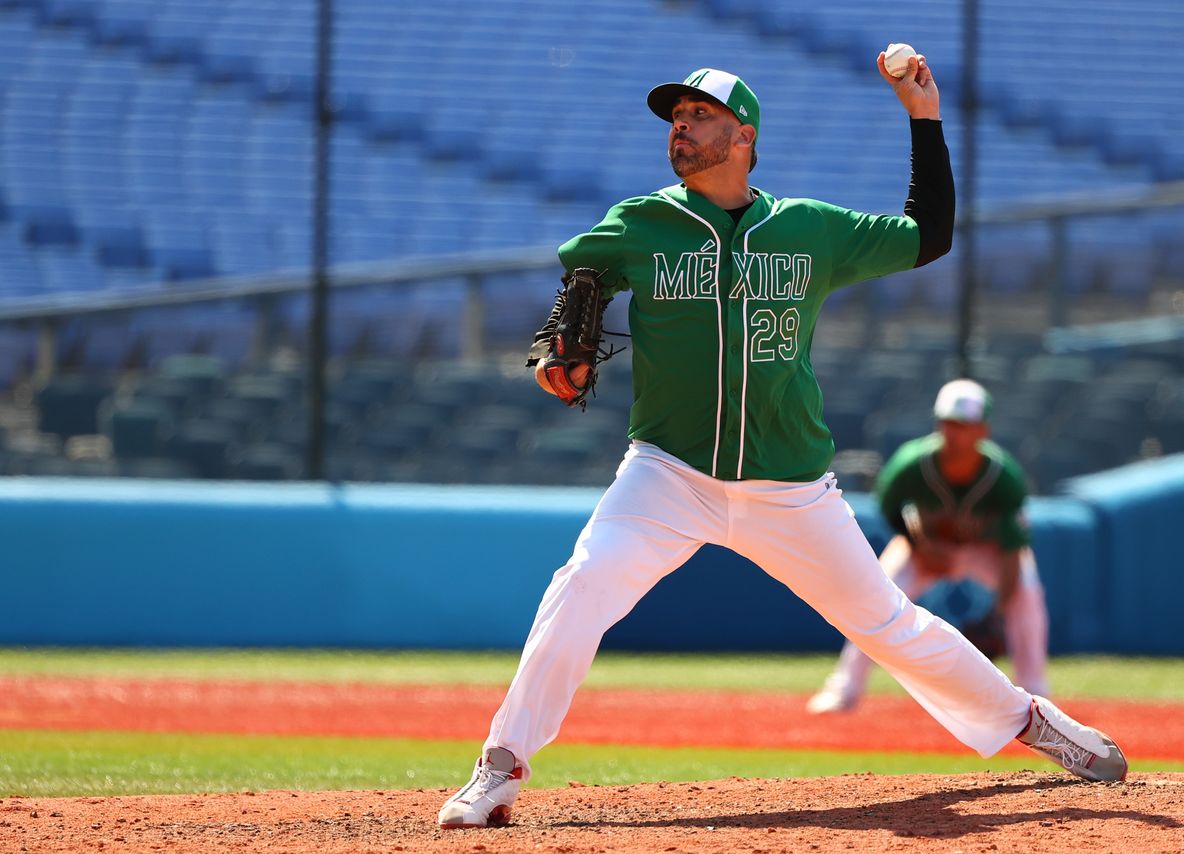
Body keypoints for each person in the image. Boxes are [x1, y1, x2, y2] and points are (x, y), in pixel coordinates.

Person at [439, 54, 1127, 830]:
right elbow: (581, 280)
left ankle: (1030, 720)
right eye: (676, 119)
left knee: (888, 623)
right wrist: (559, 350)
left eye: (699, 116)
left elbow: (928, 236)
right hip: (669, 473)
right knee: (581, 587)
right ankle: (499, 767)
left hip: (790, 485)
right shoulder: (641, 222)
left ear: (744, 135)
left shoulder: (809, 230)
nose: (682, 128)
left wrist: (923, 118)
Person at [807, 378, 1051, 715]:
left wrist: (997, 613)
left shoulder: (1003, 476)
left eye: (964, 426)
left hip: (985, 552)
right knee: (873, 594)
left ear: (983, 431)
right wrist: (919, 544)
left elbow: (1013, 550)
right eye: (948, 423)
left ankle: (1038, 695)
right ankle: (845, 688)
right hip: (925, 549)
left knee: (1027, 589)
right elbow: (891, 507)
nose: (954, 433)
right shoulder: (913, 464)